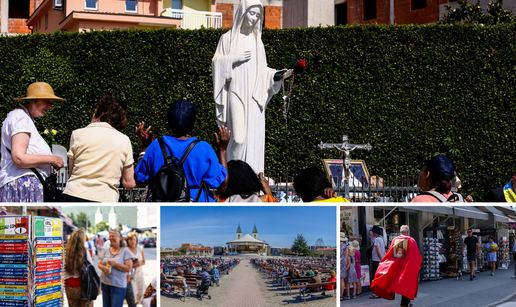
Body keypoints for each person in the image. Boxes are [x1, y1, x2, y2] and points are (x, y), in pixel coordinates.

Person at [212, 0, 293, 175]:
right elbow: (216, 63)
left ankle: (251, 180)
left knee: (253, 139)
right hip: (236, 92)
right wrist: (234, 58)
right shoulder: (227, 39)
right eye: (251, 13)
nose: (254, 18)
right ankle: (233, 179)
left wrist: (277, 75)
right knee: (239, 139)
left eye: (258, 15)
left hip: (255, 98)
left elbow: (264, 73)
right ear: (242, 12)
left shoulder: (258, 44)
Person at [134, 99, 229, 202]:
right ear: (193, 124)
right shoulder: (204, 148)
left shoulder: (155, 146)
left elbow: (139, 181)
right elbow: (222, 185)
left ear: (169, 122)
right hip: (196, 209)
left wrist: (144, 147)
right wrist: (222, 150)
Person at [0, 82, 65, 201]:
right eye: (47, 101)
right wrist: (52, 159)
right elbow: (19, 158)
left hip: (24, 184)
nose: (50, 106)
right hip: (22, 185)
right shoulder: (21, 117)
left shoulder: (23, 118)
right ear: (33, 100)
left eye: (51, 103)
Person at [62, 96, 135, 202]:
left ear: (101, 113)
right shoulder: (124, 140)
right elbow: (129, 183)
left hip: (73, 194)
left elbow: (71, 173)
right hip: (105, 197)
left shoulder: (77, 134)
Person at [371, 225, 422, 307]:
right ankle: (404, 304)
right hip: (408, 267)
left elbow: (391, 255)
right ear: (408, 232)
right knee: (407, 285)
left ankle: (406, 303)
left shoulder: (396, 240)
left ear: (400, 232)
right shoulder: (411, 240)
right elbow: (416, 255)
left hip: (398, 267)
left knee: (400, 284)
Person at [98, 229, 133, 307]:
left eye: (113, 236)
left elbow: (128, 268)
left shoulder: (126, 251)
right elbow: (99, 264)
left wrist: (115, 264)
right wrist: (104, 268)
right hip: (105, 284)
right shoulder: (106, 250)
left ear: (120, 237)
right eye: (110, 236)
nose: (110, 238)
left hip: (118, 286)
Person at [64, 229, 93, 307]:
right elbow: (91, 270)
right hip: (83, 287)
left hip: (69, 287)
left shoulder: (65, 252)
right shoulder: (85, 252)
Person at [126, 232, 146, 304]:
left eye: (134, 239)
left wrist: (140, 263)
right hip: (130, 276)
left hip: (139, 275)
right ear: (127, 240)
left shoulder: (140, 248)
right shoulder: (126, 250)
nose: (132, 241)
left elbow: (144, 261)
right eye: (130, 240)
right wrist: (133, 264)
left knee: (140, 294)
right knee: (132, 295)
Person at [369, 225, 385, 299]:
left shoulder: (377, 240)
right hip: (380, 260)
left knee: (376, 277)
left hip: (377, 261)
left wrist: (381, 260)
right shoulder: (382, 239)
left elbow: (378, 251)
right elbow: (383, 250)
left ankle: (377, 293)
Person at [340, 233, 349, 301]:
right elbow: (346, 256)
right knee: (342, 280)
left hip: (339, 261)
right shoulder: (345, 245)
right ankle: (341, 295)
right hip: (343, 262)